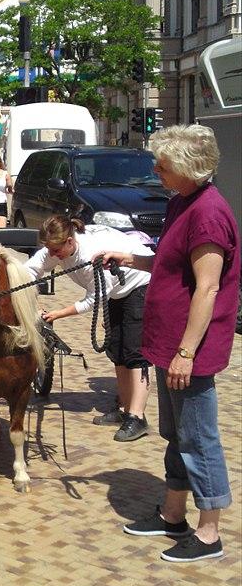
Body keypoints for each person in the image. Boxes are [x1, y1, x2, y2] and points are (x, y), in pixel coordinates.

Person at [99, 124, 239, 563]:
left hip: (188, 350)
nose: (156, 171)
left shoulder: (209, 214)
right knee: (175, 434)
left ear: (189, 167)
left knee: (199, 438)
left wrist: (186, 352)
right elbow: (168, 260)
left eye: (163, 165)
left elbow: (207, 288)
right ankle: (172, 514)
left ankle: (210, 532)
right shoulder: (182, 201)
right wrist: (129, 257)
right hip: (168, 342)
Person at [25, 215, 154, 442]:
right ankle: (124, 408)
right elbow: (31, 270)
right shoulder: (56, 248)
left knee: (134, 352)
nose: (53, 255)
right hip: (117, 291)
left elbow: (95, 299)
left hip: (140, 283)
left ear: (70, 241)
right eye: (50, 250)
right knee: (116, 349)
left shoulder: (89, 255)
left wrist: (58, 313)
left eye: (57, 250)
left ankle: (137, 417)